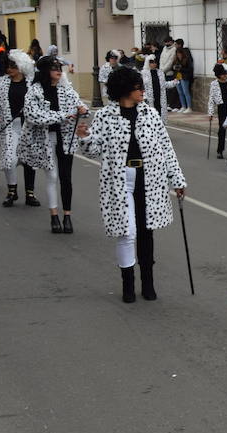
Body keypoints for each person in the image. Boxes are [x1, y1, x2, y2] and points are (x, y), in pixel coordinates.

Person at [79, 66, 186, 302]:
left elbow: (167, 149)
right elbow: (94, 150)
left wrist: (177, 179)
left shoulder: (150, 114)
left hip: (150, 179)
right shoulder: (106, 115)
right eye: (139, 88)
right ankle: (128, 285)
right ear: (126, 90)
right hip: (119, 180)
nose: (143, 92)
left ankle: (148, 282)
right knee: (127, 232)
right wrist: (85, 137)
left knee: (146, 231)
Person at [23, 55, 88, 233]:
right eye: (54, 68)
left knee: (66, 178)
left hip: (66, 139)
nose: (59, 71)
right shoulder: (35, 91)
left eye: (60, 68)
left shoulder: (66, 90)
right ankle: (54, 215)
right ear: (45, 71)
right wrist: (62, 116)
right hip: (45, 139)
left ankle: (67, 215)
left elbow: (80, 106)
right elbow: (32, 115)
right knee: (52, 177)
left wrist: (83, 109)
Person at [0, 51, 39, 208]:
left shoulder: (33, 84)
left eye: (13, 66)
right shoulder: (0, 83)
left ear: (21, 66)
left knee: (29, 160)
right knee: (9, 160)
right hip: (9, 127)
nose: (9, 69)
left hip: (30, 127)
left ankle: (30, 193)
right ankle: (12, 191)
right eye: (7, 66)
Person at [207, 63, 227, 160]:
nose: (225, 76)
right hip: (222, 108)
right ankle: (220, 150)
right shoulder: (214, 84)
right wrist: (210, 113)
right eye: (222, 74)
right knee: (222, 130)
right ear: (218, 75)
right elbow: (211, 99)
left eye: (225, 73)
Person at [139, 54, 176, 124]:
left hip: (160, 99)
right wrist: (143, 96)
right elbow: (140, 86)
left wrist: (174, 82)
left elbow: (164, 84)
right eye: (152, 62)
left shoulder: (160, 72)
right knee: (150, 120)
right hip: (149, 100)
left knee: (160, 119)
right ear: (148, 63)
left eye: (155, 62)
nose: (154, 64)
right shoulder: (143, 73)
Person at [171, 38, 193, 113]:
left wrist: (181, 69)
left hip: (184, 77)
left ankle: (189, 107)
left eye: (179, 54)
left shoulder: (186, 60)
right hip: (178, 77)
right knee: (180, 92)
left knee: (185, 92)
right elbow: (173, 68)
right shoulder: (176, 60)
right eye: (177, 54)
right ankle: (183, 106)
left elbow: (189, 69)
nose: (178, 55)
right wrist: (174, 68)